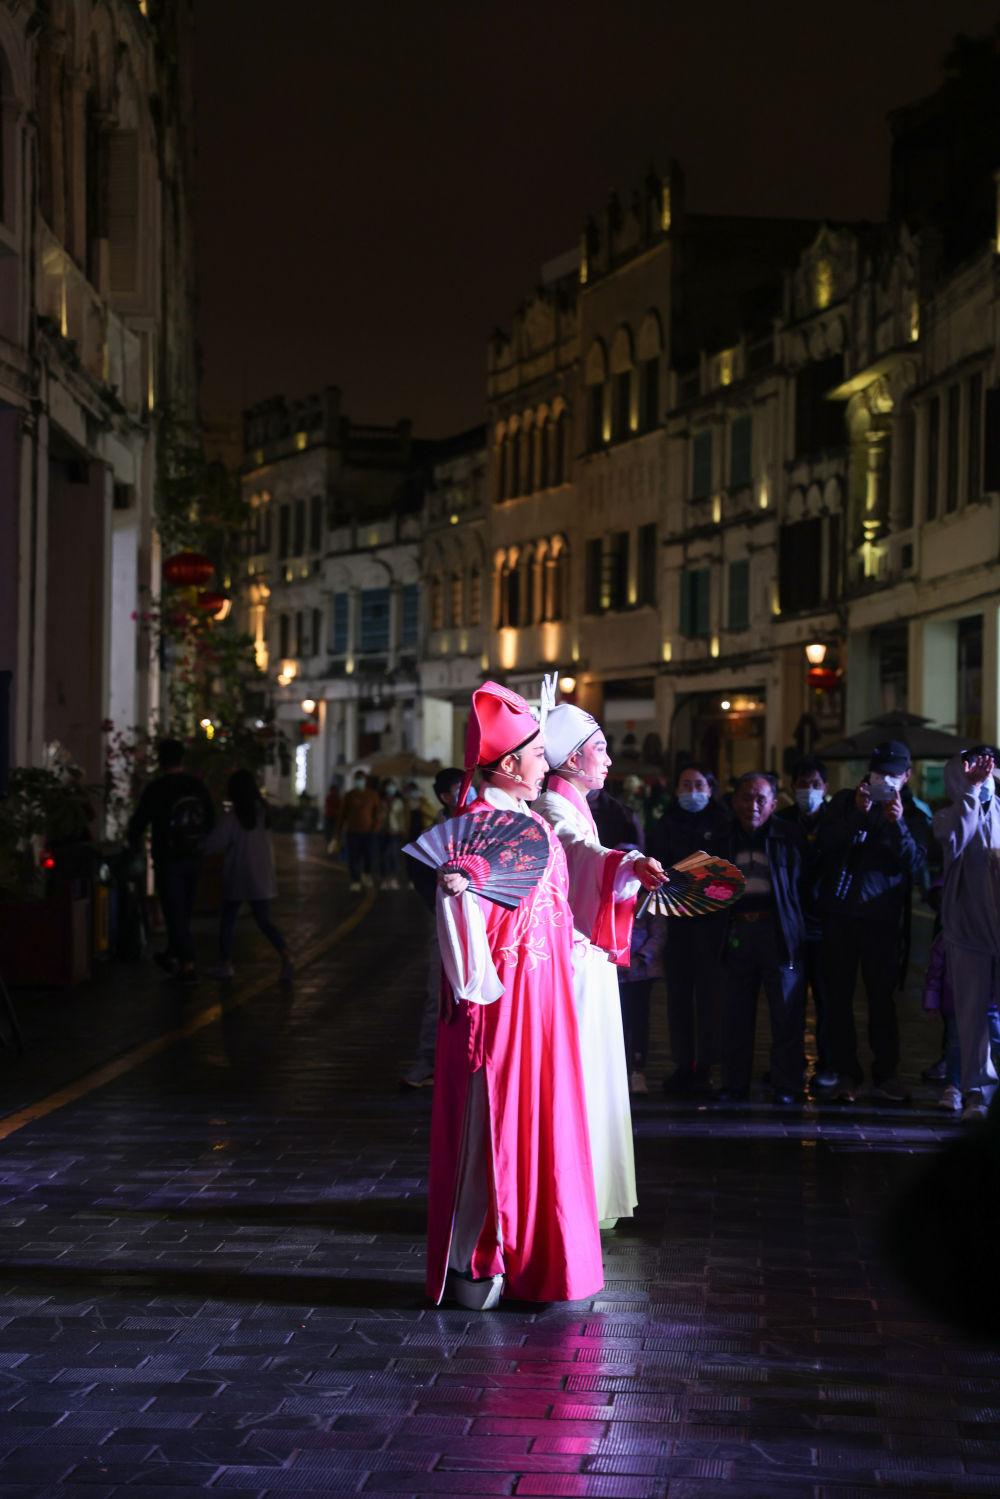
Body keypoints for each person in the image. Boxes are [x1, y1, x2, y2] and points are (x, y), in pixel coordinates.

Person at [427, 682, 604, 1311]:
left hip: (544, 1000)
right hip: (502, 1008)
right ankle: (475, 1261)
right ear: (507, 764)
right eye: (534, 754)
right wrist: (458, 899)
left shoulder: (531, 824)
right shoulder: (479, 826)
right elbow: (463, 923)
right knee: (491, 1128)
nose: (543, 765)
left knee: (541, 1125)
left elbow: (552, 908)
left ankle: (535, 1260)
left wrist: (575, 950)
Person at [535, 702, 667, 1228]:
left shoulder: (573, 805)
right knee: (585, 1074)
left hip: (585, 957)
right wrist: (627, 862)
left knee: (596, 1072)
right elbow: (578, 852)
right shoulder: (553, 807)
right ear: (571, 760)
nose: (609, 760)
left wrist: (624, 864)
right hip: (572, 961)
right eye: (600, 749)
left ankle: (590, 1196)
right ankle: (578, 1196)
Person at [814, 741, 929, 1104]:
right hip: (840, 917)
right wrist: (857, 815)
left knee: (882, 1000)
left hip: (882, 921)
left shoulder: (912, 812)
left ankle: (886, 1074)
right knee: (838, 999)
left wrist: (898, 825)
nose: (884, 781)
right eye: (879, 773)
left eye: (892, 775)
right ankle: (846, 1073)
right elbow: (824, 845)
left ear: (906, 776)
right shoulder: (845, 802)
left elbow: (916, 864)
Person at [716, 772, 807, 1106]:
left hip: (778, 932)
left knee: (786, 1012)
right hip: (737, 930)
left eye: (760, 799)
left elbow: (804, 885)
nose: (752, 806)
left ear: (773, 803)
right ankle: (734, 1084)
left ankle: (786, 1084)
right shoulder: (724, 837)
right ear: (734, 800)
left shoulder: (789, 836)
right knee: (735, 1013)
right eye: (746, 797)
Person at [649, 764, 731, 1095]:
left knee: (711, 997)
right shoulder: (666, 824)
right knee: (679, 997)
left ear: (710, 789)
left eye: (698, 785)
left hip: (713, 924)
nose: (692, 791)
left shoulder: (723, 824)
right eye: (686, 785)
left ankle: (707, 1065)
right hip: (677, 922)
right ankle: (683, 1063)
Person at [932, 747, 1000, 1122]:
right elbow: (956, 841)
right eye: (972, 769)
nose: (983, 773)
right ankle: (977, 1092)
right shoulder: (948, 816)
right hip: (968, 930)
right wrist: (972, 794)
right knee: (971, 1018)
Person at [127, 737, 214, 985]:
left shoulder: (157, 788)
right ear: (182, 759)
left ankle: (188, 964)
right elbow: (210, 819)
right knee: (183, 910)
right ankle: (173, 954)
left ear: (161, 760)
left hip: (168, 858)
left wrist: (133, 844)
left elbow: (139, 822)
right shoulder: (196, 786)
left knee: (174, 910)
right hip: (194, 857)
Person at [399, 766, 465, 1090]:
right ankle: (428, 1061)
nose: (468, 794)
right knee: (438, 993)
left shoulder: (480, 824)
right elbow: (419, 877)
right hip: (445, 925)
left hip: (483, 927)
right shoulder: (433, 836)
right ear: (444, 797)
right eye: (459, 789)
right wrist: (438, 904)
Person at [776, 756, 834, 1089]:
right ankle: (789, 1064)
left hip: (825, 926)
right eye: (802, 784)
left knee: (827, 999)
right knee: (789, 1000)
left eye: (815, 784)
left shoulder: (835, 822)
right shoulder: (783, 822)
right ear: (792, 786)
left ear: (825, 787)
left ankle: (828, 1062)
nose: (808, 790)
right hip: (791, 924)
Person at [202, 769, 292, 982]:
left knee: (228, 920)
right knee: (264, 920)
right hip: (261, 876)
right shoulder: (263, 814)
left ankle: (226, 963)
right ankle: (286, 954)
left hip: (238, 874)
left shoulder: (232, 818)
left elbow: (213, 843)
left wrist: (198, 845)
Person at [617, 877, 665, 1095]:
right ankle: (617, 1069)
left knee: (638, 1021)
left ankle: (638, 1069)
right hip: (615, 971)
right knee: (618, 1022)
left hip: (641, 972)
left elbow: (659, 933)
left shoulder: (649, 899)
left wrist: (642, 957)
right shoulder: (609, 895)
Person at [337, 769, 381, 891]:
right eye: (357, 779)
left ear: (365, 780)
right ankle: (355, 880)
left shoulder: (372, 795)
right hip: (352, 832)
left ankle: (366, 875)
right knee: (353, 857)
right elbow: (342, 815)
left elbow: (377, 813)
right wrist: (338, 832)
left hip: (369, 832)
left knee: (369, 856)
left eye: (361, 779)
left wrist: (375, 828)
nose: (359, 781)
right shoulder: (349, 795)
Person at [378, 780, 407, 890]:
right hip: (383, 831)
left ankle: (393, 879)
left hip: (395, 832)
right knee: (383, 856)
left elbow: (401, 817)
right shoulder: (381, 801)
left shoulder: (399, 802)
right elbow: (378, 816)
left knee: (394, 855)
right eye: (388, 786)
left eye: (392, 786)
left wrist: (402, 829)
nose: (390, 788)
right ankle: (384, 879)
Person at [322, 778, 342, 853]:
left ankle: (333, 847)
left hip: (335, 818)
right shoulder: (329, 797)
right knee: (329, 833)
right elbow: (328, 807)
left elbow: (340, 807)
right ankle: (330, 847)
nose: (334, 792)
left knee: (333, 833)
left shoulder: (338, 798)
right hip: (329, 817)